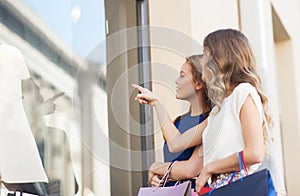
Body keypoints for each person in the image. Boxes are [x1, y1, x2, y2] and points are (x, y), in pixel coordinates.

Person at [135, 29, 286, 195]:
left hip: (237, 188)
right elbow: (176, 143)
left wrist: (210, 168)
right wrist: (158, 103)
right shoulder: (218, 111)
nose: (203, 60)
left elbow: (255, 153)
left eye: (206, 53)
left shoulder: (243, 93)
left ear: (220, 59)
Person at [133, 54, 211, 189]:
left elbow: (190, 169)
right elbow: (171, 168)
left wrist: (156, 167)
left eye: (182, 75)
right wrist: (158, 178)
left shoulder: (209, 123)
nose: (176, 81)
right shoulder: (176, 122)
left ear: (198, 83)